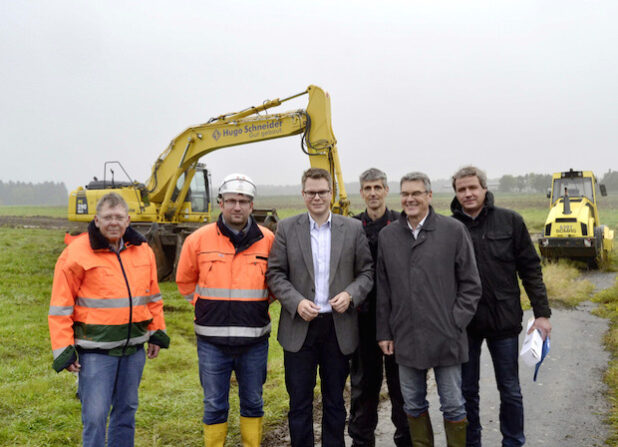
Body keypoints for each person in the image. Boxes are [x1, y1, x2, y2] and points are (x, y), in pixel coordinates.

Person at [48, 192, 170, 447]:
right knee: (94, 417)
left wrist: (156, 330)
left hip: (134, 350)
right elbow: (60, 307)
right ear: (96, 220)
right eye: (107, 217)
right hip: (95, 352)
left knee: (126, 413)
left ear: (128, 220)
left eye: (118, 217)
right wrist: (64, 350)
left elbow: (153, 296)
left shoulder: (143, 250)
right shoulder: (75, 253)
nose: (113, 222)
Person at [266, 167, 373, 447]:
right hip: (300, 327)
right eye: (311, 192)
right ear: (303, 195)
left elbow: (366, 273)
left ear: (331, 194)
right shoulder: (287, 228)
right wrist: (296, 301)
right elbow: (275, 274)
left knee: (335, 401)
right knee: (299, 402)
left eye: (322, 192)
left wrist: (350, 295)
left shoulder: (351, 229)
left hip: (338, 328)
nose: (317, 197)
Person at [376, 172, 481, 447]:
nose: (410, 199)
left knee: (454, 405)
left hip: (447, 335)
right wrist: (385, 331)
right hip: (405, 336)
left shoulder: (453, 231)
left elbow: (471, 284)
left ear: (429, 196)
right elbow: (383, 289)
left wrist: (455, 321)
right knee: (412, 403)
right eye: (405, 194)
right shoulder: (389, 236)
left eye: (417, 193)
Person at [450, 166, 552, 447]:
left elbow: (530, 270)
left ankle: (513, 442)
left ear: (484, 188)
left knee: (510, 389)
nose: (468, 193)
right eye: (462, 189)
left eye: (473, 187)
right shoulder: (449, 228)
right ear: (456, 193)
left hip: (503, 320)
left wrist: (542, 314)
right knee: (466, 391)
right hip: (464, 324)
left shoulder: (510, 222)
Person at [176, 173, 274, 447]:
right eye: (231, 200)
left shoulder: (268, 241)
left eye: (243, 201)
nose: (237, 207)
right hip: (211, 343)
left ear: (252, 206)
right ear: (221, 203)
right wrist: (204, 306)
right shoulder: (198, 240)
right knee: (214, 405)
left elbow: (275, 284)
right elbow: (184, 281)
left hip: (254, 342)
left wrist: (256, 306)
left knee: (253, 403)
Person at [348, 168, 412, 447]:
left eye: (377, 187)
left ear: (387, 190)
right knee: (363, 387)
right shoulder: (350, 227)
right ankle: (362, 441)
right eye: (367, 188)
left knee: (402, 388)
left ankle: (406, 440)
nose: (373, 193)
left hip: (398, 320)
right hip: (362, 320)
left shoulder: (403, 225)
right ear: (361, 193)